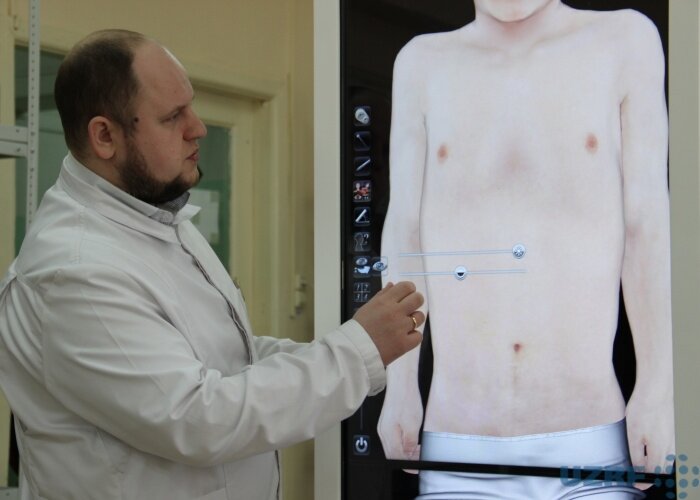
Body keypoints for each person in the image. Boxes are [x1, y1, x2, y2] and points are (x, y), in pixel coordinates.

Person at [0, 29, 425, 500]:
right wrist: (358, 351)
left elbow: (226, 358)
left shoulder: (158, 218)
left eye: (191, 106)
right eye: (172, 117)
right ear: (105, 136)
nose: (198, 128)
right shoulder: (74, 272)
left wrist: (344, 350)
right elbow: (200, 419)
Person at [377, 0, 673, 498]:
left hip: (589, 439)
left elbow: (649, 227)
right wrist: (401, 386)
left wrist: (658, 390)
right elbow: (405, 233)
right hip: (458, 443)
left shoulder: (625, 40)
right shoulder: (420, 62)